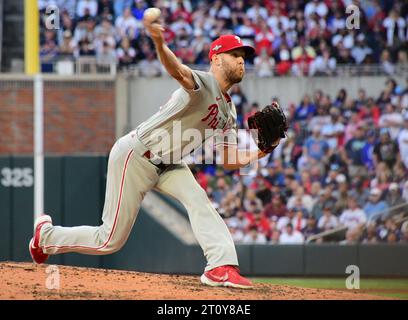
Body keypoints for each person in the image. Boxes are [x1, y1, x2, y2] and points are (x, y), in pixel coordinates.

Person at [29, 18, 283, 289]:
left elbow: (231, 161)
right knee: (109, 240)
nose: (242, 60)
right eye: (235, 55)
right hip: (137, 155)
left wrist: (262, 150)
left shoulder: (228, 112)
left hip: (170, 164)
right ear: (217, 59)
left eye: (243, 56)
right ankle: (45, 236)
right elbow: (176, 70)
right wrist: (159, 42)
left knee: (199, 200)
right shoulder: (203, 83)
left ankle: (220, 267)